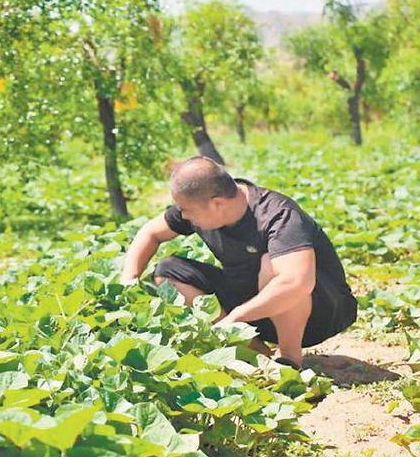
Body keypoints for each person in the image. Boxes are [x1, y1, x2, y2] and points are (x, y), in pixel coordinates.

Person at [121, 156, 356, 368]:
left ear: (217, 204)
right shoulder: (201, 209)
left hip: (321, 312)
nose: (183, 216)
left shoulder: (278, 215)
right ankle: (259, 355)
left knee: (271, 264)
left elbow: (297, 283)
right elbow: (151, 233)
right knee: (169, 272)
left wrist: (236, 318)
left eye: (186, 210)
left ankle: (289, 357)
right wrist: (128, 280)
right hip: (257, 309)